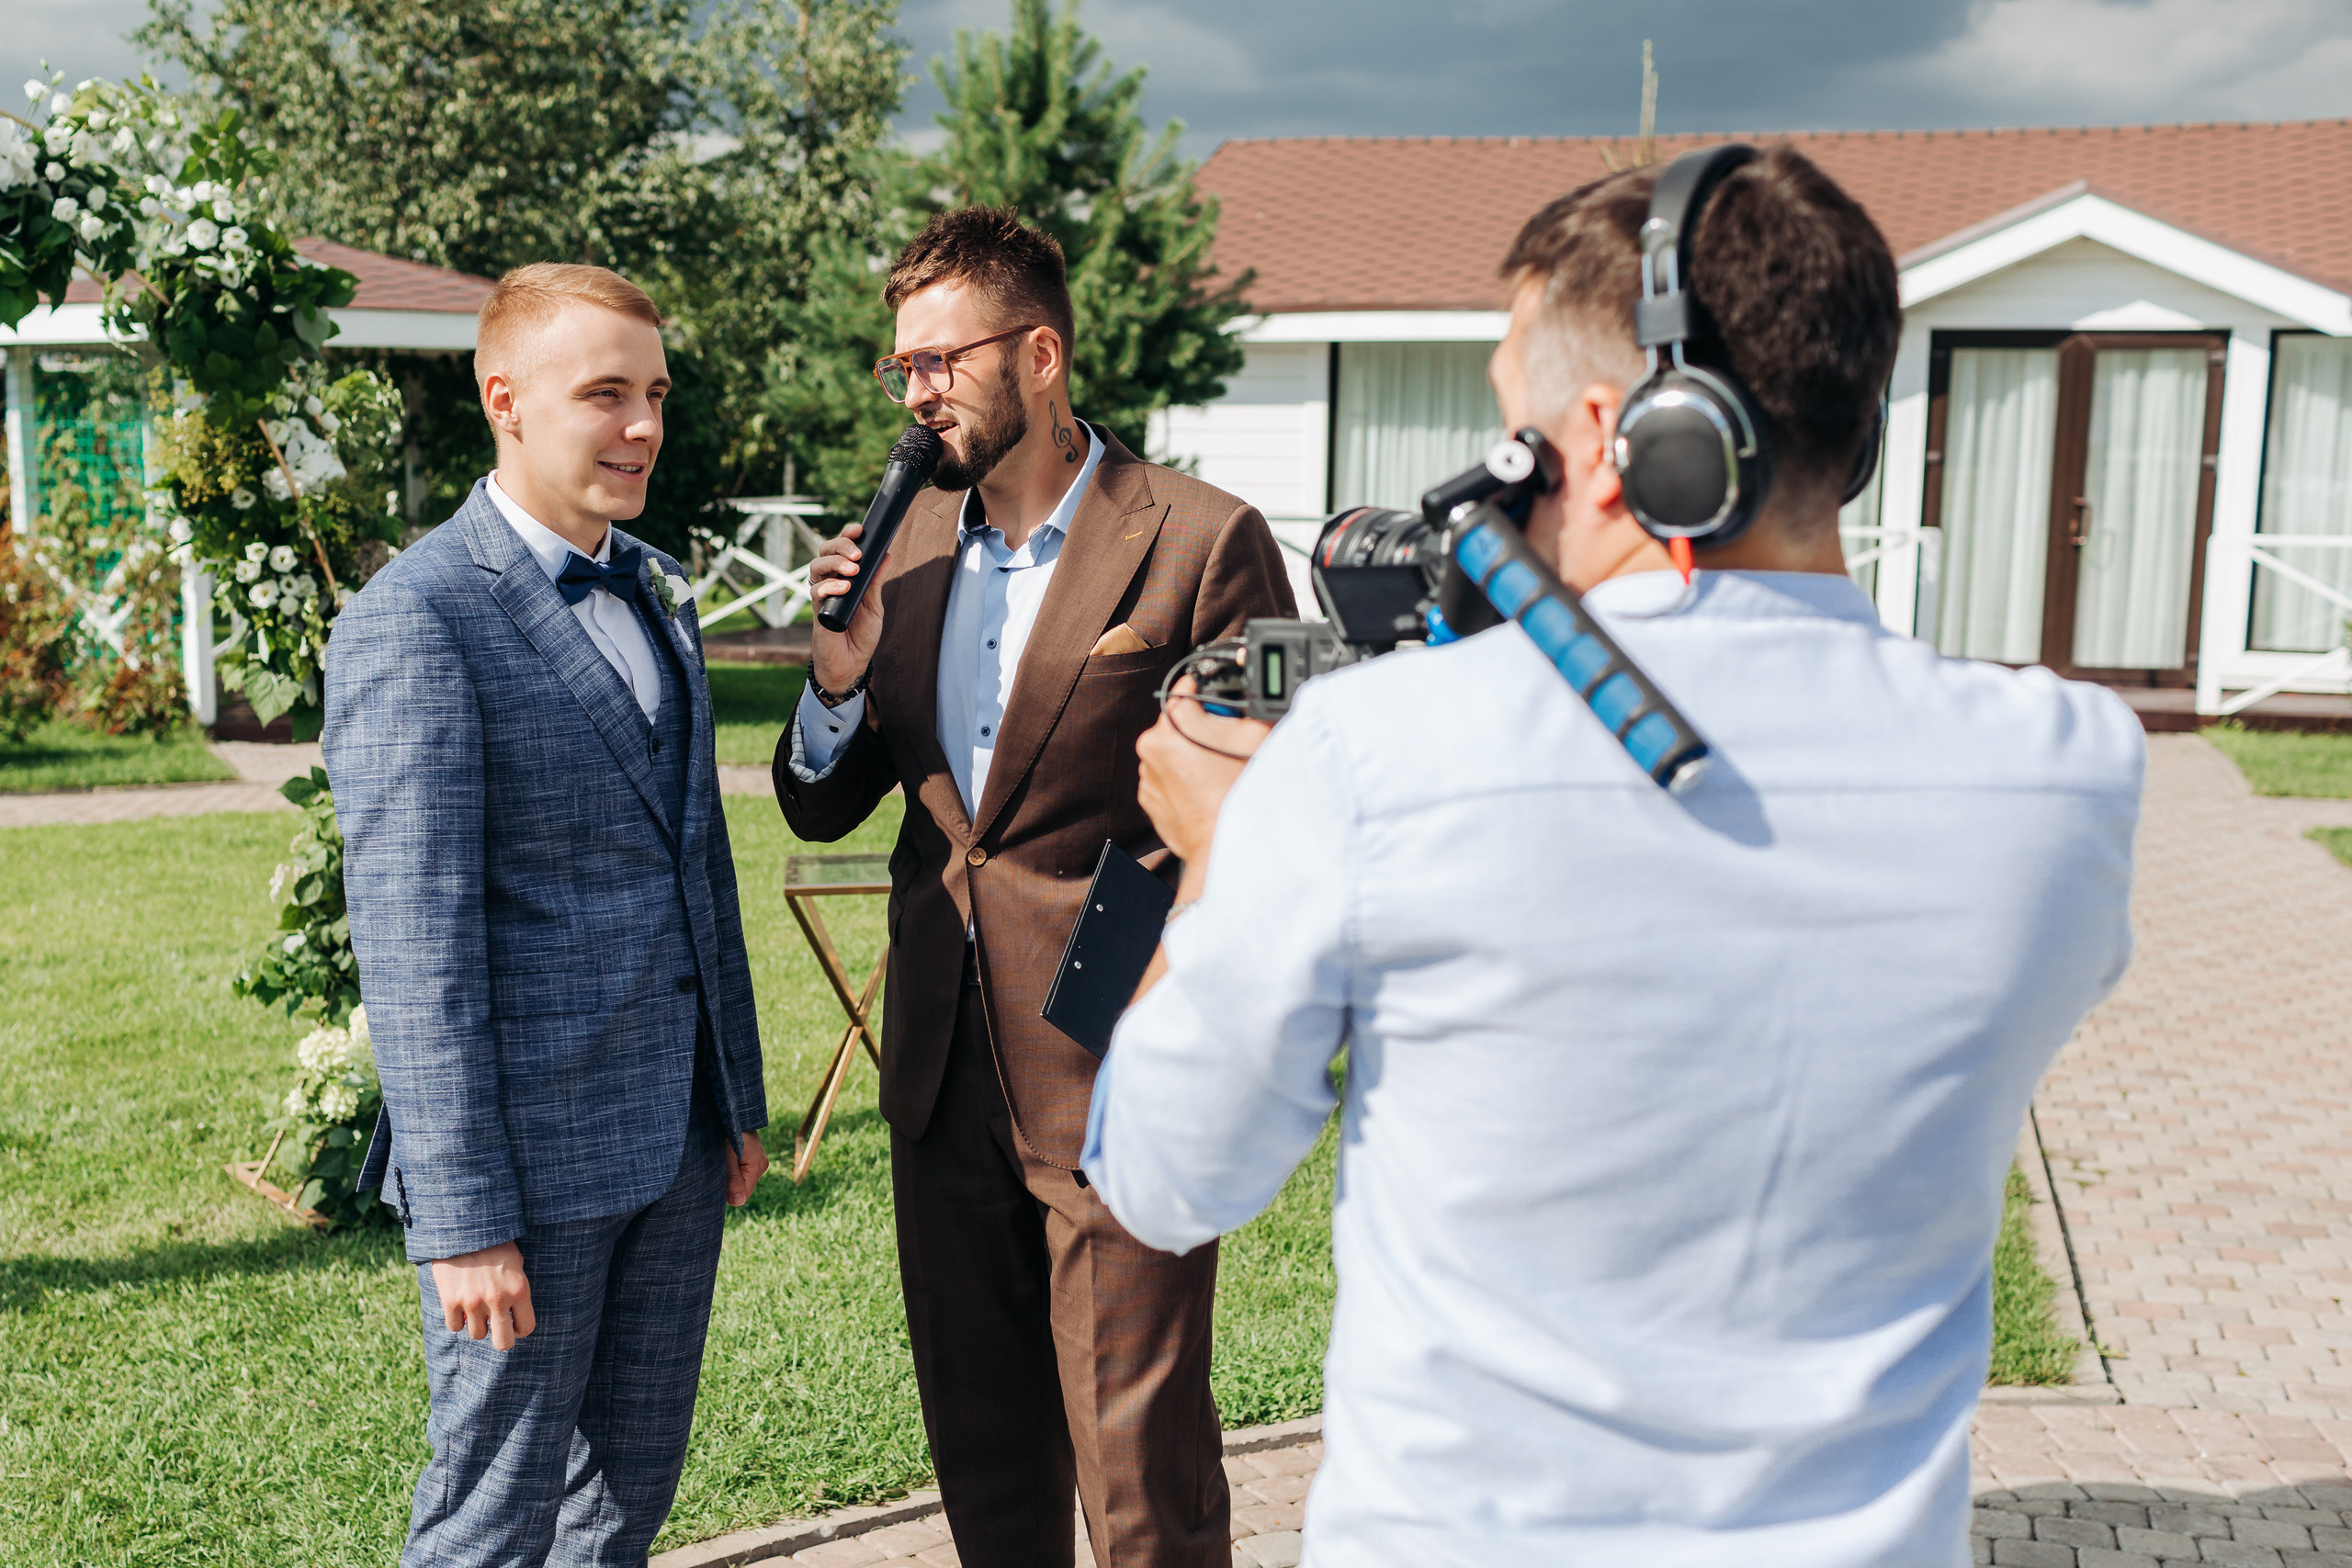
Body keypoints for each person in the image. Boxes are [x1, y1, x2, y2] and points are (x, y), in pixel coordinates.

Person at [1083, 147, 2144, 1566]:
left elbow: (1164, 1177)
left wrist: (1225, 857)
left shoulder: (1378, 761)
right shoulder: (2067, 771)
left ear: (1622, 435)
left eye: (1506, 439)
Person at [774, 206, 1295, 1567]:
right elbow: (826, 796)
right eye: (903, 369)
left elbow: (1261, 813)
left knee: (1141, 1476)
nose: (917, 393)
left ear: (1043, 356)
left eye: (942, 361)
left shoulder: (1201, 540)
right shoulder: (907, 552)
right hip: (944, 1076)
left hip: (1123, 1070)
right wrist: (836, 682)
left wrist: (1126, 996)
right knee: (987, 1468)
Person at [324, 262, 769, 1567]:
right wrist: (462, 1220)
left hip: (676, 1144)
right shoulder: (418, 620)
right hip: (524, 1172)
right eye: (606, 396)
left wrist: (731, 1098)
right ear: (504, 397)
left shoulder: (656, 590)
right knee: (492, 1515)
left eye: (656, 395)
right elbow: (416, 949)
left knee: (626, 1497)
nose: (642, 427)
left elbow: (698, 867)